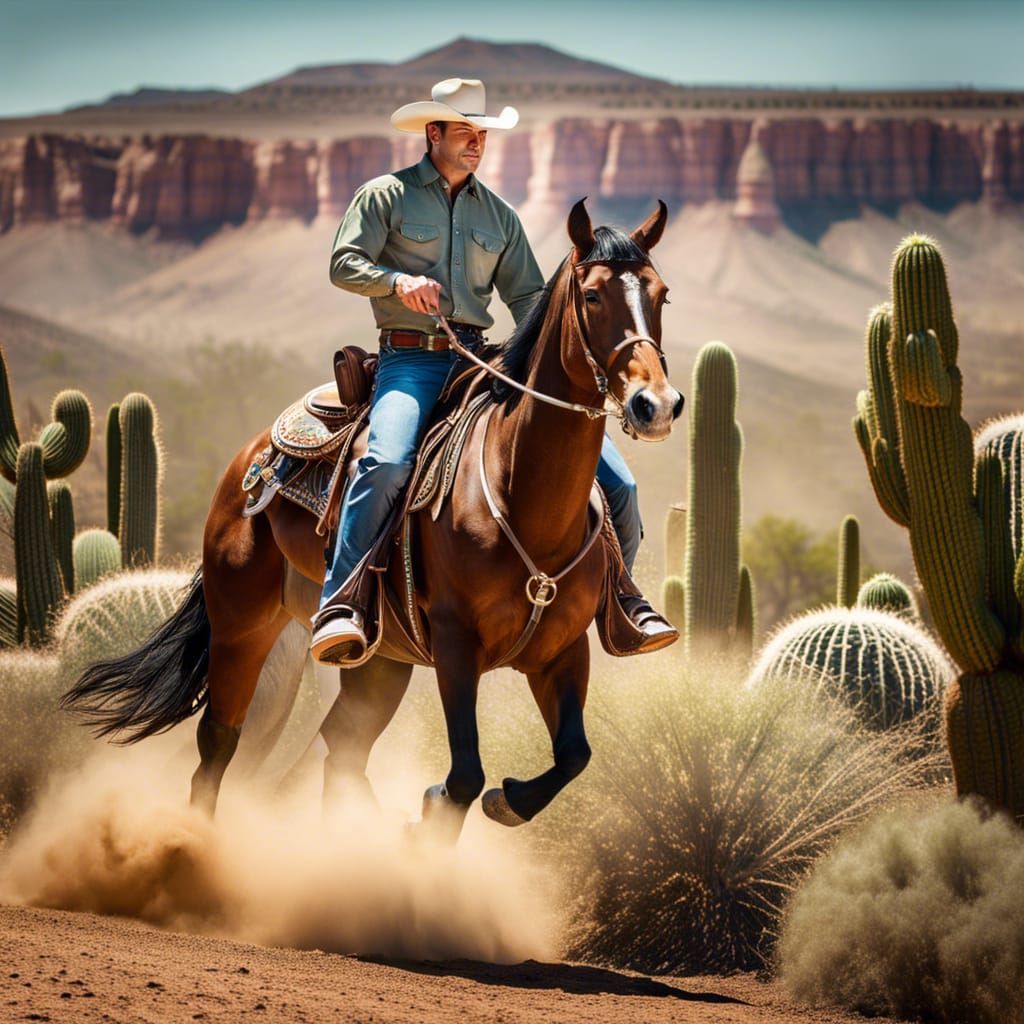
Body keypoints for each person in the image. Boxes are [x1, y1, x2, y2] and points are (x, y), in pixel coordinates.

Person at [311, 77, 673, 664]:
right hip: (412, 358)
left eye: (482, 133)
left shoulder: (499, 216)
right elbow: (343, 263)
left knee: (621, 485)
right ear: (433, 134)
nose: (476, 142)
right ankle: (342, 601)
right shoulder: (386, 196)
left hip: (485, 357)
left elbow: (531, 299)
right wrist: (398, 282)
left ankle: (619, 600)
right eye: (465, 131)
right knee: (387, 462)